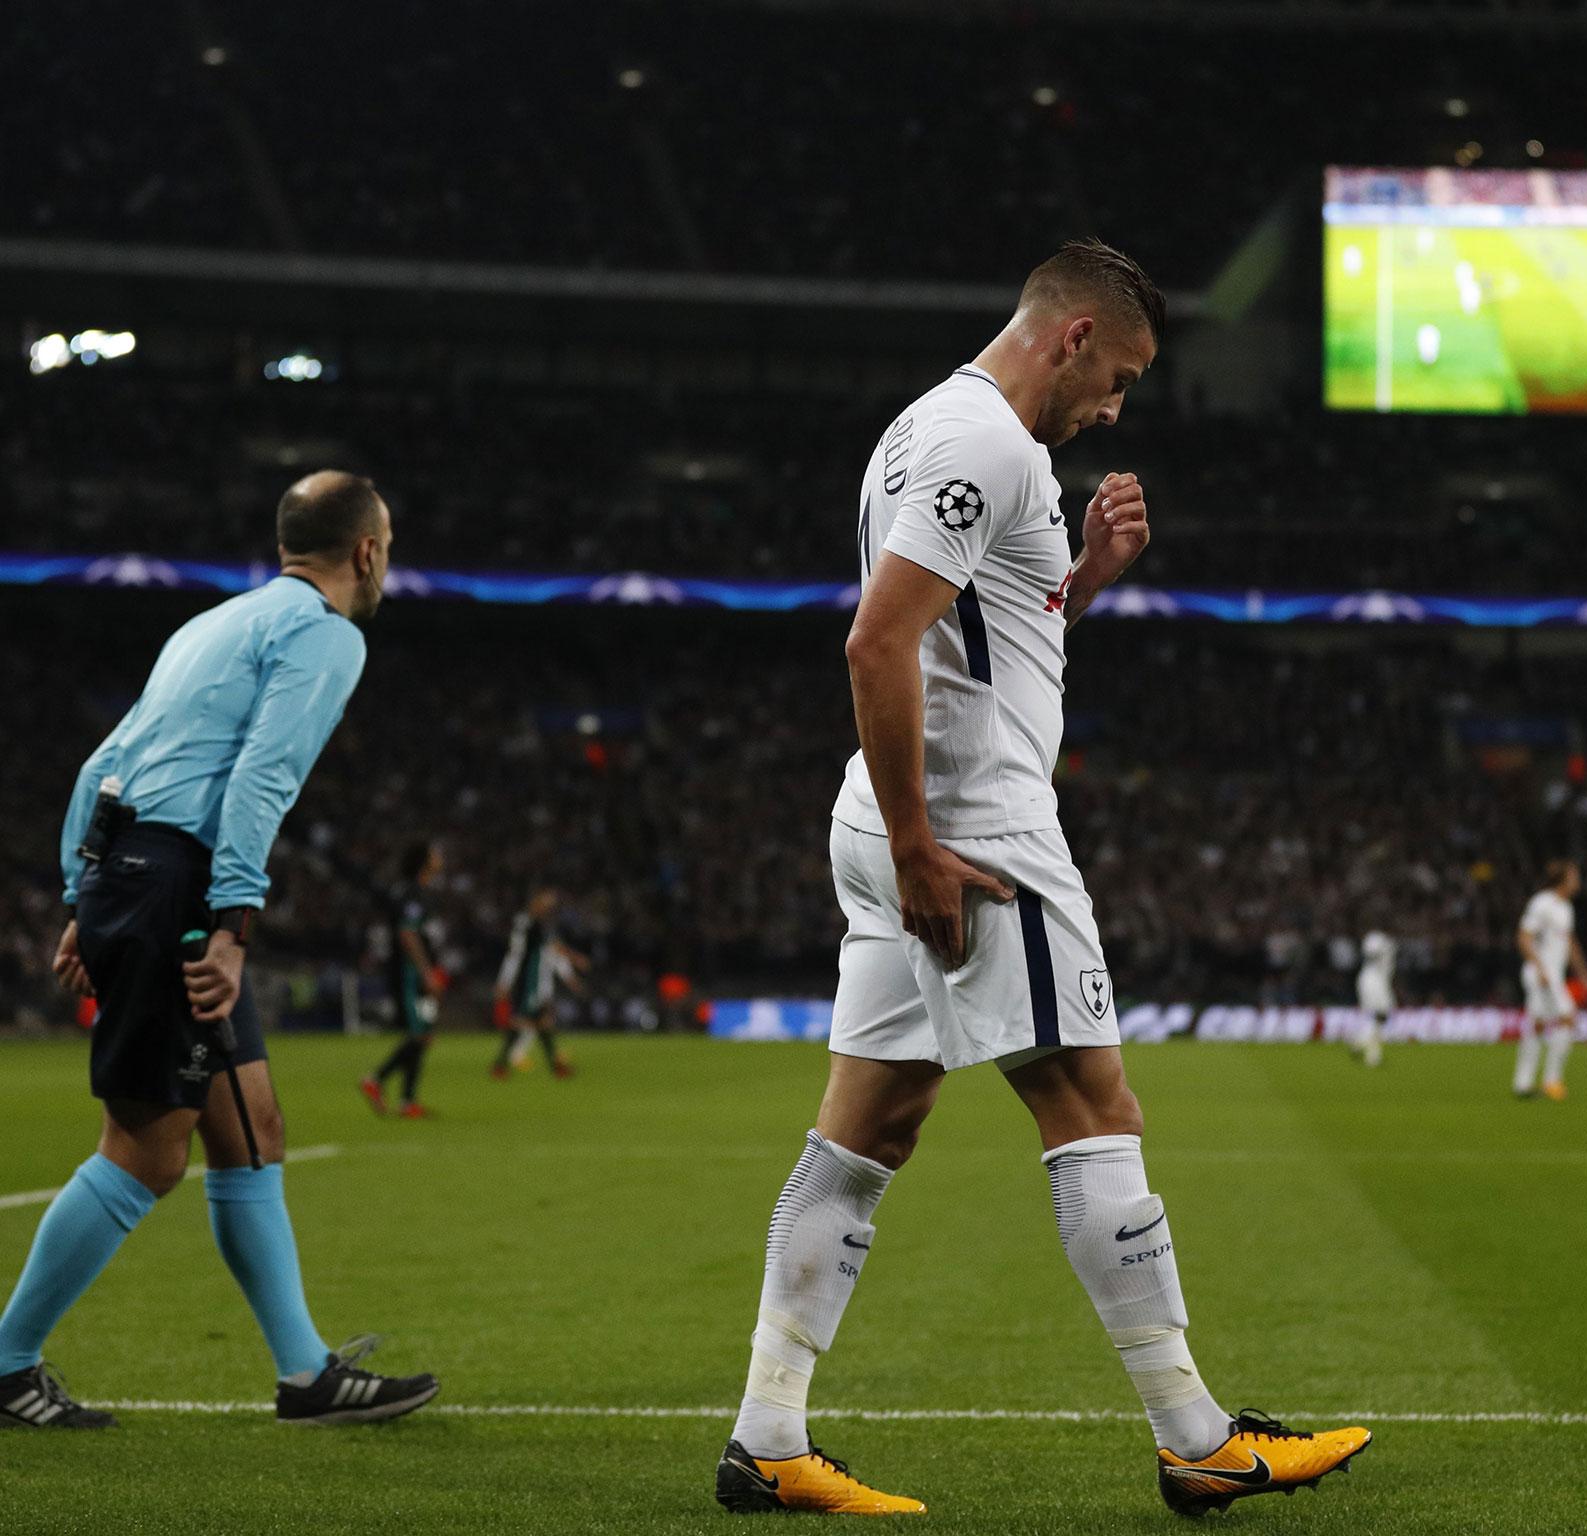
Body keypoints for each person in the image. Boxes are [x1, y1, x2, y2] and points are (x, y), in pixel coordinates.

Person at [713, 241, 1369, 1518]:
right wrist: (919, 843)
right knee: (1093, 1102)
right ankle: (1195, 1437)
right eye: (1118, 376)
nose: (1116, 406)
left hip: (905, 817)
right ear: (1071, 337)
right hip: (975, 835)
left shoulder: (924, 426)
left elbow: (978, 638)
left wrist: (1081, 584)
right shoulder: (993, 447)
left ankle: (767, 1437)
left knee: (865, 1133)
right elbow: (878, 639)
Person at [1, 472, 439, 1429]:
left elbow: (99, 764)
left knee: (252, 1131)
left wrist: (83, 892)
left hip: (132, 866)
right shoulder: (325, 636)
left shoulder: (212, 625)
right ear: (365, 549)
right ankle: (5, 1364)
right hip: (177, 890)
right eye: (389, 543)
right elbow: (260, 780)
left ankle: (305, 1377)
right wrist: (233, 926)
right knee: (147, 1150)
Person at [359, 842, 444, 1118]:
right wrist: (426, 972)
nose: (439, 857)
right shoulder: (412, 893)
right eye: (434, 853)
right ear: (424, 860)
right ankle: (376, 1079)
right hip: (409, 974)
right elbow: (407, 934)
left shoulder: (415, 892)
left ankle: (408, 1102)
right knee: (419, 1035)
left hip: (415, 973)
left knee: (424, 1035)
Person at [1513, 859, 1587, 1101]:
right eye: (1574, 877)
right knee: (1566, 1019)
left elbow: (1570, 944)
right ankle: (1550, 1081)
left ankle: (1525, 1083)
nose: (1578, 882)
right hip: (1541, 974)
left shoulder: (1566, 908)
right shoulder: (1542, 903)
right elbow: (1524, 937)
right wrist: (1538, 967)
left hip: (1553, 976)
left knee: (1539, 1024)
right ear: (1563, 880)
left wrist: (1584, 973)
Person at [490, 888, 585, 1080]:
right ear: (536, 903)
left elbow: (552, 952)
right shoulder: (527, 924)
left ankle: (554, 1066)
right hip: (530, 981)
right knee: (525, 1021)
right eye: (546, 904)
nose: (550, 908)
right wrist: (504, 982)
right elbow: (516, 955)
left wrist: (569, 974)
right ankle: (501, 1065)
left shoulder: (541, 925)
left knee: (543, 1022)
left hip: (540, 981)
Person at [1351, 926, 1397, 1067]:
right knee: (1380, 1016)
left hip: (1379, 982)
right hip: (1372, 981)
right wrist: (1384, 948)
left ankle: (1359, 1043)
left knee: (1381, 1017)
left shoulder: (1390, 942)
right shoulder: (1377, 938)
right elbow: (1370, 952)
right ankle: (1372, 1056)